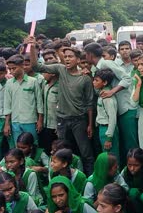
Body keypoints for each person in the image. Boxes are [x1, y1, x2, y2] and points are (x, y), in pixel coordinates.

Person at [29, 39, 95, 175]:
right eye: (65, 57)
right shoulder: (60, 69)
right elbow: (36, 67)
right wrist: (32, 47)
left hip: (79, 120)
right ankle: (62, 178)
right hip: (62, 120)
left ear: (78, 60)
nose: (67, 59)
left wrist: (90, 124)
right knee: (61, 153)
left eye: (70, 56)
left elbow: (90, 103)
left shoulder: (85, 78)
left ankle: (88, 181)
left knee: (85, 152)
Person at [85, 42, 137, 168]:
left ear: (90, 55)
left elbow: (127, 79)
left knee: (131, 146)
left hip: (126, 108)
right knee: (121, 147)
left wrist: (112, 91)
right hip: (116, 109)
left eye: (85, 54)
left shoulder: (106, 63)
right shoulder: (95, 67)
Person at [4, 54, 43, 144]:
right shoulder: (9, 83)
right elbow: (7, 104)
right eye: (10, 69)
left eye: (14, 68)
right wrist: (7, 124)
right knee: (18, 146)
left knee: (32, 144)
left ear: (22, 66)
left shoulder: (33, 81)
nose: (12, 71)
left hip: (30, 120)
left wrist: (40, 120)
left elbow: (39, 102)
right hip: (15, 121)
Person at [120, 148, 143, 213]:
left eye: (136, 165)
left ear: (142, 164)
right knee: (133, 192)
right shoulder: (125, 172)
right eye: (129, 165)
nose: (132, 168)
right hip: (133, 200)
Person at [41, 61, 59, 154]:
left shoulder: (60, 86)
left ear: (52, 73)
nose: (43, 74)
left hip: (55, 125)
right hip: (45, 123)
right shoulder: (44, 84)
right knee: (47, 148)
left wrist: (59, 124)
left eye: (45, 71)